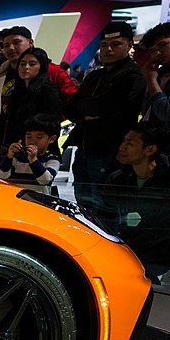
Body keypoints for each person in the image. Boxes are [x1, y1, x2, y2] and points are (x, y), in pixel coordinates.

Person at [65, 21, 146, 205]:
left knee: (105, 212)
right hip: (85, 150)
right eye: (104, 45)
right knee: (83, 210)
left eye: (116, 44)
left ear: (129, 45)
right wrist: (88, 111)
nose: (109, 49)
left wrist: (88, 108)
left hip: (111, 152)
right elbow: (71, 108)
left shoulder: (133, 75)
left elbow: (100, 106)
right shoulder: (95, 76)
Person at [99, 122, 170, 238]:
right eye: (124, 141)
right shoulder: (117, 179)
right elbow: (106, 218)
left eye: (129, 143)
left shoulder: (166, 180)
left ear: (150, 150)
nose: (122, 147)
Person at [0, 47, 63, 163]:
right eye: (22, 64)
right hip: (16, 150)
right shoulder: (17, 91)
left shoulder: (48, 90)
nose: (26, 67)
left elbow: (53, 124)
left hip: (41, 154)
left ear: (41, 67)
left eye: (32, 64)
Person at [0, 113, 62, 190]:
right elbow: (2, 176)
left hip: (38, 200)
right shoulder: (18, 157)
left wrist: (33, 160)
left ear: (51, 139)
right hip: (16, 197)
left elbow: (45, 180)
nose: (32, 141)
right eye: (29, 136)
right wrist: (9, 156)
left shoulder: (52, 159)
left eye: (39, 137)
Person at [139, 21, 170, 126]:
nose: (157, 53)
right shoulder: (158, 74)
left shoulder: (153, 76)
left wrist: (151, 80)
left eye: (162, 45)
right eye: (152, 51)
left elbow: (166, 114)